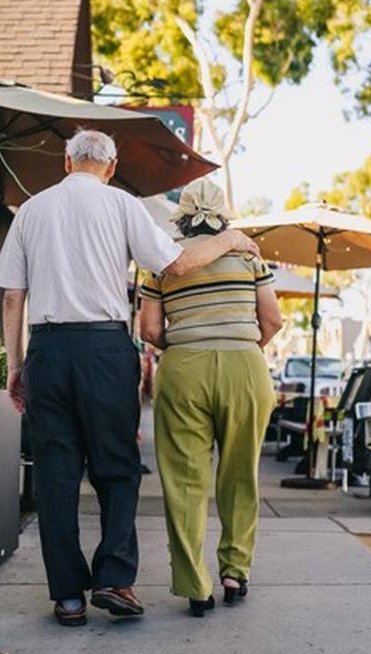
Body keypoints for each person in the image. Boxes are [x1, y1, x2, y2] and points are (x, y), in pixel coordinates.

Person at [0, 130, 261, 627]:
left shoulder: (31, 210)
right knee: (117, 467)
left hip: (48, 350)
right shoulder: (123, 205)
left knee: (56, 476)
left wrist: (15, 365)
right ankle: (114, 579)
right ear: (111, 167)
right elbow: (177, 264)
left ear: (67, 162)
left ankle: (69, 597)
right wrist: (228, 239)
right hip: (104, 350)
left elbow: (11, 296)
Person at [139, 179, 283, 617]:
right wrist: (242, 347)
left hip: (184, 369)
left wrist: (189, 343)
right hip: (245, 367)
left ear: (181, 214)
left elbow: (149, 329)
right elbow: (272, 320)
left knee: (185, 481)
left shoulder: (163, 261)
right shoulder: (248, 256)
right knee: (241, 474)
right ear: (223, 214)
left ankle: (195, 585)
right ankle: (235, 572)